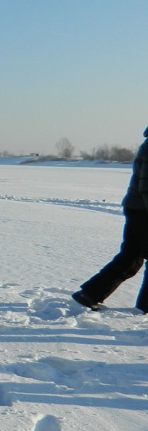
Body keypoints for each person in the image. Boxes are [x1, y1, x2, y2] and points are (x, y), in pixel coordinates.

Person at [72, 126, 148, 314]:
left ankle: (89, 294)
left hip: (137, 208)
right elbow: (146, 187)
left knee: (131, 256)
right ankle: (144, 309)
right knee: (132, 256)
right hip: (142, 210)